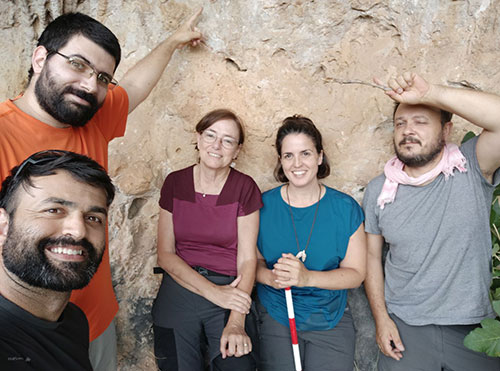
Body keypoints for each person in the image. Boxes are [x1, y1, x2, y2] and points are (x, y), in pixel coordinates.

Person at [0, 10, 202, 370]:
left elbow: (136, 86)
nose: (90, 84)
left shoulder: (89, 116)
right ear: (40, 57)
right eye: (77, 64)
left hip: (93, 319)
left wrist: (172, 41)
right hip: (21, 329)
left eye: (102, 77)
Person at [362, 72, 500, 370]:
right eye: (401, 123)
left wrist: (432, 91)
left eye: (421, 121)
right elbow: (372, 258)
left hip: (471, 327)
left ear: (446, 130)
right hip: (405, 329)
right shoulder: (379, 190)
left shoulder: (472, 165)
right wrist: (381, 319)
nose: (407, 130)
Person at [152, 109, 262, 371]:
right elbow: (165, 255)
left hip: (230, 288)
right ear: (198, 139)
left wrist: (236, 321)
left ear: (237, 150)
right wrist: (213, 292)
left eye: (227, 140)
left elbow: (248, 259)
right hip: (180, 289)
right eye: (210, 135)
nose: (216, 146)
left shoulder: (244, 187)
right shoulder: (175, 183)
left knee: (238, 366)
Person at [255, 115, 367, 371]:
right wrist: (272, 278)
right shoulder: (262, 206)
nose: (297, 164)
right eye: (288, 155)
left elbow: (356, 274)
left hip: (329, 316)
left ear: (319, 157)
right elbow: (254, 263)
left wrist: (306, 278)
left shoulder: (344, 208)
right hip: (277, 312)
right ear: (281, 161)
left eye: (305, 153)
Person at [0, 150, 115, 370]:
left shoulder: (72, 320)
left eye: (93, 218)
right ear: (3, 226)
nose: (79, 231)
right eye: (54, 210)